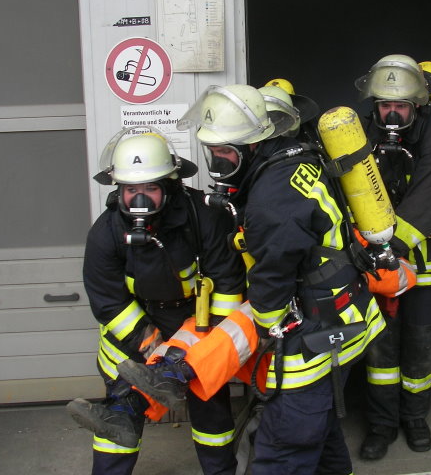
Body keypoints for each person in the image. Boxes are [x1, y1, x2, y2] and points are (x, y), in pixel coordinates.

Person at [168, 84, 386, 475]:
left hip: (316, 335)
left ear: (252, 145)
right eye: (212, 152)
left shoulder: (272, 200)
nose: (217, 163)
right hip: (345, 313)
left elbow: (273, 276)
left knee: (284, 446)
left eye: (224, 153)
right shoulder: (293, 156)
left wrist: (266, 325)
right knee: (318, 429)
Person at [66, 126, 246, 475]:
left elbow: (227, 283)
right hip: (135, 326)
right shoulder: (106, 233)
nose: (141, 199)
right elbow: (108, 301)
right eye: (132, 189)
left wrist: (200, 347)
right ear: (118, 189)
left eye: (151, 188)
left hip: (197, 323)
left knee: (211, 410)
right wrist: (149, 343)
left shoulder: (203, 217)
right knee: (120, 412)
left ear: (171, 184)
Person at [353, 54, 431, 460]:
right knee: (380, 348)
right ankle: (381, 425)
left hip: (426, 262)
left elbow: (429, 197)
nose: (393, 114)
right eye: (386, 106)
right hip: (377, 262)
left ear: (417, 105)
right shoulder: (361, 134)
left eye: (401, 106)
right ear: (375, 106)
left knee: (420, 345)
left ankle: (415, 417)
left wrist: (391, 249)